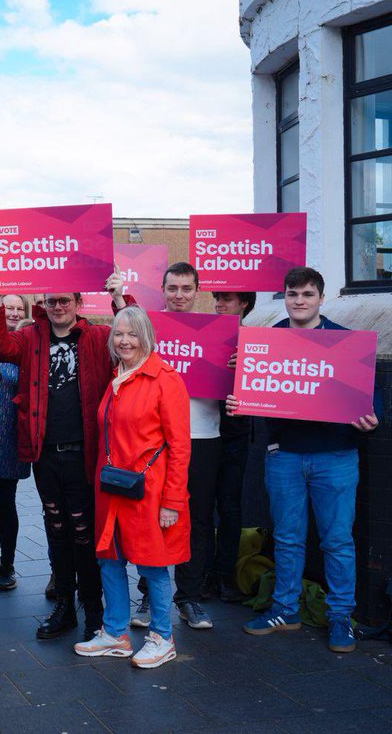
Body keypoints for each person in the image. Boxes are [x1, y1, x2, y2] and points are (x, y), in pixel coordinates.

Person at [232, 267, 380, 653]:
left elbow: (369, 399)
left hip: (336, 456)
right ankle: (285, 609)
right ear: (284, 296)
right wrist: (240, 395)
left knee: (337, 542)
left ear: (321, 298)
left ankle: (340, 616)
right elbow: (255, 394)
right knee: (287, 538)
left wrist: (371, 419)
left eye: (307, 294)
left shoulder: (344, 343)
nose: (299, 300)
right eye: (293, 293)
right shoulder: (267, 342)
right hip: (286, 457)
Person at [0, 271, 129, 641]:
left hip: (85, 453)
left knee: (84, 532)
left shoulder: (97, 336)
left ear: (79, 304)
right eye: (52, 301)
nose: (58, 307)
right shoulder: (32, 337)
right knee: (56, 529)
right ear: (43, 305)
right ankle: (64, 604)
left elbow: (134, 339)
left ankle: (93, 612)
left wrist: (120, 299)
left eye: (65, 301)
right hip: (45, 453)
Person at [75, 305, 190, 669]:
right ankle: (116, 634)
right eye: (119, 333)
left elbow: (180, 446)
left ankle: (162, 637)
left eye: (132, 333)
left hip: (150, 492)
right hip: (112, 489)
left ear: (147, 337)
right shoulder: (116, 377)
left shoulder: (164, 379)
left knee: (153, 565)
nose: (125, 340)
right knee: (109, 559)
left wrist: (172, 501)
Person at [131, 262, 223, 632]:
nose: (179, 295)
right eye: (173, 288)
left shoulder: (218, 333)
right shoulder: (149, 330)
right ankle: (150, 594)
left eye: (186, 288)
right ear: (163, 290)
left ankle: (189, 598)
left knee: (197, 519)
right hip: (156, 442)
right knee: (151, 518)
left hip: (203, 437)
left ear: (197, 291)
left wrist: (235, 368)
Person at [0, 293, 32, 592]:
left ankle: (8, 565)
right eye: (7, 307)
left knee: (6, 503)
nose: (12, 312)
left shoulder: (27, 344)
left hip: (11, 436)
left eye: (17, 308)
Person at [208, 290, 257, 602]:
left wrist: (249, 365)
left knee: (229, 505)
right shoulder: (207, 333)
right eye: (218, 298)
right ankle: (201, 574)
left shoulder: (256, 341)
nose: (219, 303)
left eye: (227, 299)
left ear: (244, 304)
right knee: (199, 506)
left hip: (235, 432)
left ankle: (225, 574)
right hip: (202, 427)